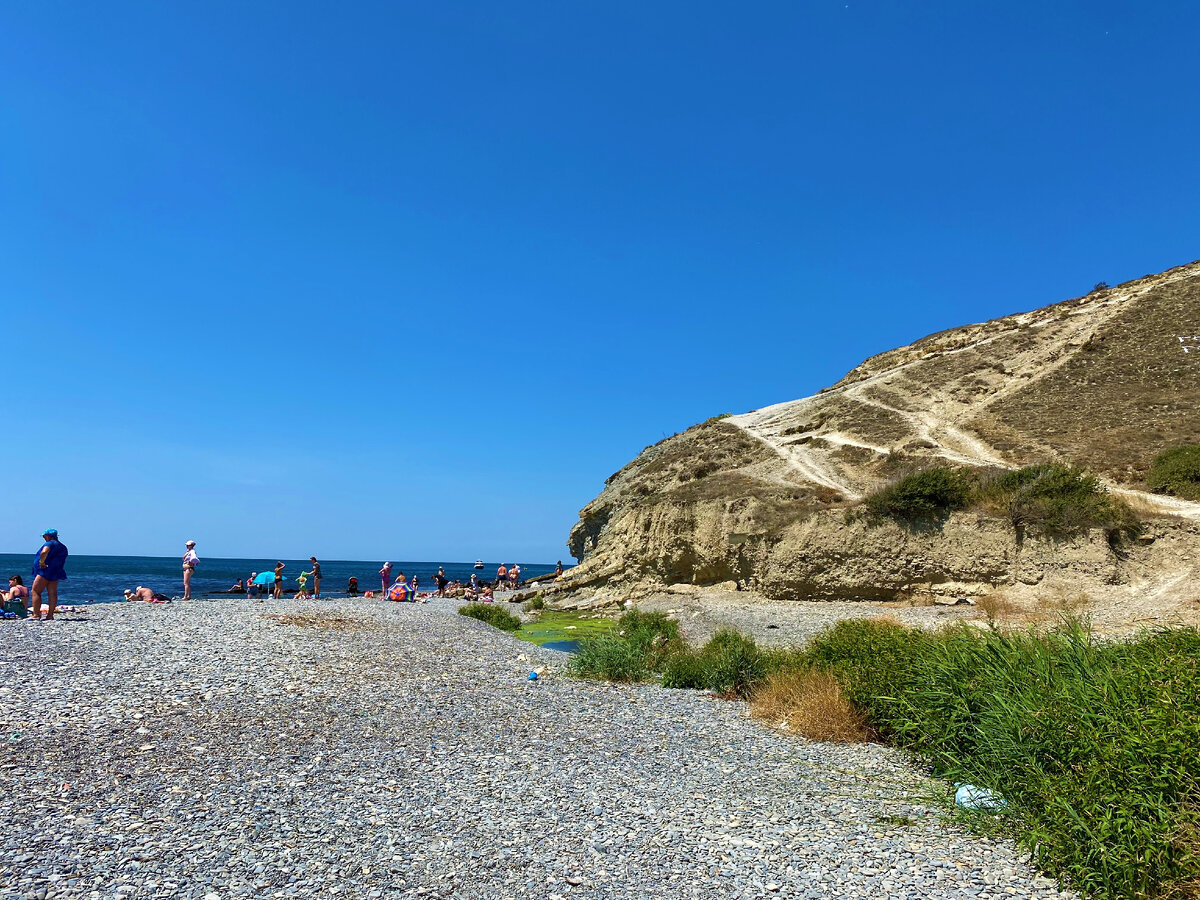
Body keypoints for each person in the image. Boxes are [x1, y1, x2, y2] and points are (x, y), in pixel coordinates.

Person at [30, 528, 68, 621]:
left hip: (45, 570)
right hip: (56, 571)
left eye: (44, 536)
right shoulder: (63, 547)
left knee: (35, 591)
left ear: (48, 536)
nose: (43, 538)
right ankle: (50, 615)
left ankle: (36, 615)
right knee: (52, 593)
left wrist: (42, 562)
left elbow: (44, 552)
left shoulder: (49, 543)